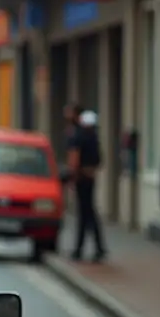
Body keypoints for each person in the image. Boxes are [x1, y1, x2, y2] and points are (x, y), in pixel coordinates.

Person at [68, 109, 106, 261]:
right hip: (90, 178)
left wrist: (73, 177)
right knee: (89, 213)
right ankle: (96, 247)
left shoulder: (78, 137)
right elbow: (99, 160)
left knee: (85, 213)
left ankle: (82, 249)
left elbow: (74, 158)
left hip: (82, 178)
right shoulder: (94, 138)